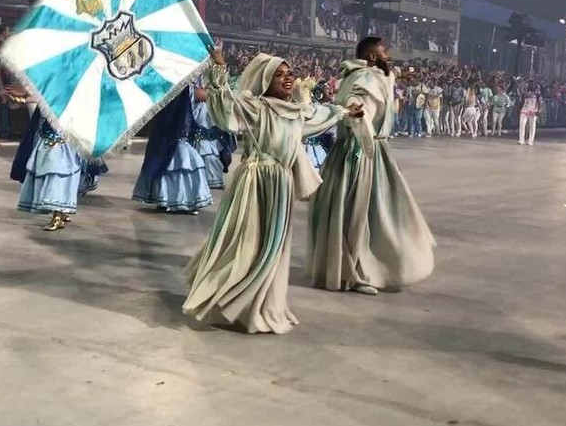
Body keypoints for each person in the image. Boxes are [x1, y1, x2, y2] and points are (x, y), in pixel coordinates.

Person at [184, 48, 356, 334]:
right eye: (280, 75)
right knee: (248, 244)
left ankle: (263, 304)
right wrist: (219, 67)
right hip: (255, 182)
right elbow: (225, 106)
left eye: (290, 74)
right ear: (266, 80)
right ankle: (233, 299)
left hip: (282, 184)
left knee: (274, 249)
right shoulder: (255, 106)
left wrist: (345, 110)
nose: (288, 79)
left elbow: (322, 115)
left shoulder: (297, 111)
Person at [305, 37, 436, 296]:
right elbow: (358, 100)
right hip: (359, 152)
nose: (389, 54)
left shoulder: (371, 75)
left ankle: (361, 266)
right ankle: (353, 271)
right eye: (384, 50)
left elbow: (380, 81)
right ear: (373, 57)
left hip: (371, 152)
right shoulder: (365, 78)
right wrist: (357, 114)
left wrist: (397, 77)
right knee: (355, 214)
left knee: (373, 213)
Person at [10, 112, 106, 231]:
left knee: (60, 171)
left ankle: (58, 214)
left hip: (69, 135)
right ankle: (60, 212)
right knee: (50, 168)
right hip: (49, 132)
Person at [132, 88, 213, 214]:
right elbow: (201, 95)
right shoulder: (179, 86)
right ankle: (175, 200)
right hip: (172, 126)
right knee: (177, 158)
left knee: (173, 158)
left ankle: (167, 198)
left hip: (173, 127)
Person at [190, 81, 234, 189]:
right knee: (205, 155)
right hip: (199, 126)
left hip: (212, 124)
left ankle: (214, 179)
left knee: (214, 156)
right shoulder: (193, 83)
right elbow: (198, 94)